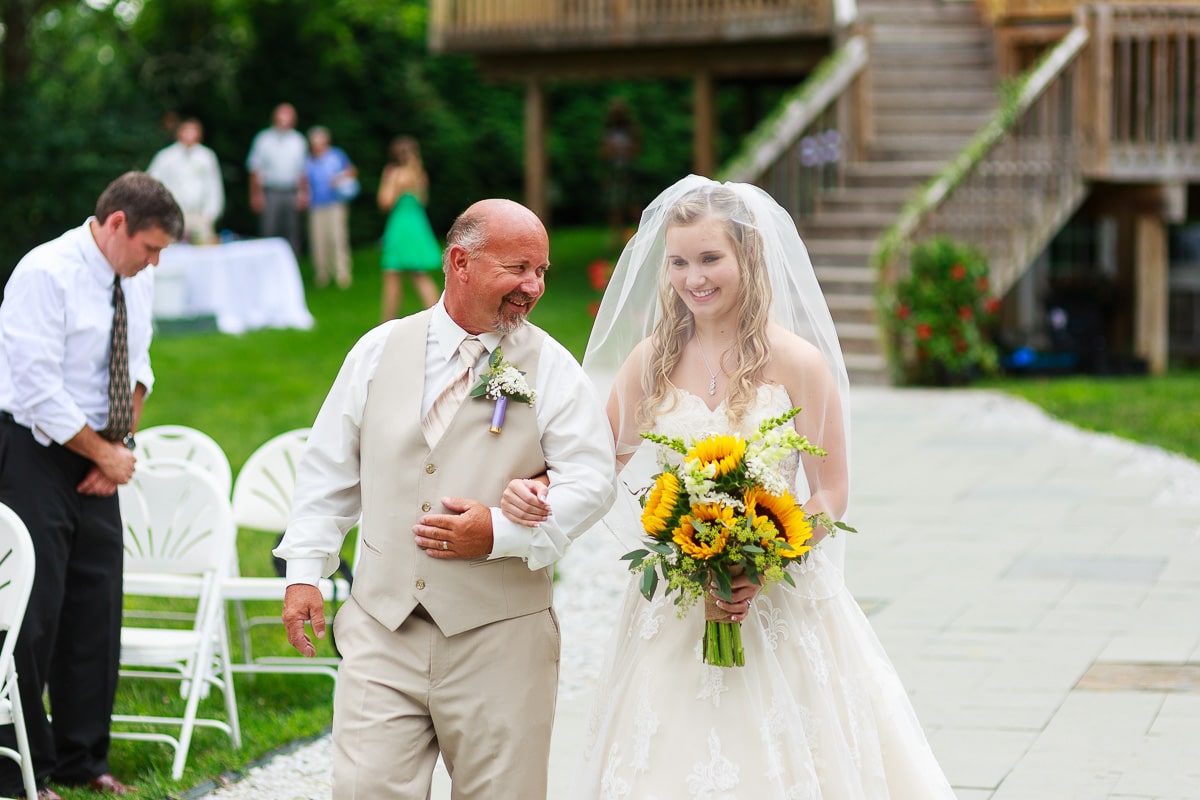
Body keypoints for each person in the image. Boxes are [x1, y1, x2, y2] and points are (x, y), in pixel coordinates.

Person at [501, 176, 957, 798]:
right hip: (678, 604)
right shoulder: (649, 363)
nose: (695, 278)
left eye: (711, 258)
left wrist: (766, 558)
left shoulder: (798, 363)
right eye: (679, 262)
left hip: (780, 600)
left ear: (749, 257)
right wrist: (540, 490)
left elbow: (831, 492)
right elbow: (594, 463)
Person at [274, 197, 617, 799]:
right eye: (518, 269)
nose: (533, 286)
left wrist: (501, 534)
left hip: (502, 640)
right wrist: (305, 572)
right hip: (384, 629)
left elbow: (591, 479)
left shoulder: (553, 368)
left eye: (541, 271)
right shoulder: (377, 351)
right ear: (460, 261)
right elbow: (328, 470)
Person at [0, 171, 184, 799]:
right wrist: (103, 453)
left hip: (102, 453)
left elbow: (139, 363)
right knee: (31, 613)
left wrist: (119, 447)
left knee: (96, 608)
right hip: (29, 449)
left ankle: (84, 757)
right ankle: (22, 769)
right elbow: (35, 389)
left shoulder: (138, 275)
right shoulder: (43, 273)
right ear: (115, 225)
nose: (155, 261)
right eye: (150, 247)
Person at [377, 136, 442, 320]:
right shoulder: (419, 173)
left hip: (400, 225)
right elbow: (423, 200)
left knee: (392, 274)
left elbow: (385, 202)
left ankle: (386, 322)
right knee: (420, 274)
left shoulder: (394, 173)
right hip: (417, 224)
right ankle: (438, 317)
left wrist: (395, 185)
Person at [147, 116, 225, 244]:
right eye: (187, 130)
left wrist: (211, 214)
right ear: (179, 132)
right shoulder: (166, 157)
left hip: (200, 216)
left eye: (194, 130)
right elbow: (152, 184)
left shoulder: (206, 156)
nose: (190, 134)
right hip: (172, 215)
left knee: (204, 250)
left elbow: (214, 187)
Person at [246, 102, 309, 257]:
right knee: (268, 230)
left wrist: (303, 193)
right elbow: (254, 169)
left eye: (288, 116)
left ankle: (292, 267)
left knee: (292, 231)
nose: (284, 120)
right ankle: (266, 265)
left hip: (291, 192)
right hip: (270, 192)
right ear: (275, 117)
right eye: (282, 115)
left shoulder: (298, 140)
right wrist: (256, 195)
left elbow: (303, 171)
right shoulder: (263, 139)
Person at [304, 125, 357, 289]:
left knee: (337, 238)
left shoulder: (336, 155)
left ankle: (342, 273)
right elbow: (304, 181)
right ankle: (322, 274)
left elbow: (352, 171)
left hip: (335, 203)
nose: (317, 145)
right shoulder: (308, 161)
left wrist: (339, 178)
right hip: (316, 205)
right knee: (318, 240)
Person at [598, 98, 640, 247]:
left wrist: (622, 150)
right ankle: (615, 235)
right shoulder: (609, 131)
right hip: (614, 171)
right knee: (615, 204)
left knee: (632, 203)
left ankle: (638, 232)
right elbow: (603, 151)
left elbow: (636, 148)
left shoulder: (630, 130)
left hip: (627, 170)